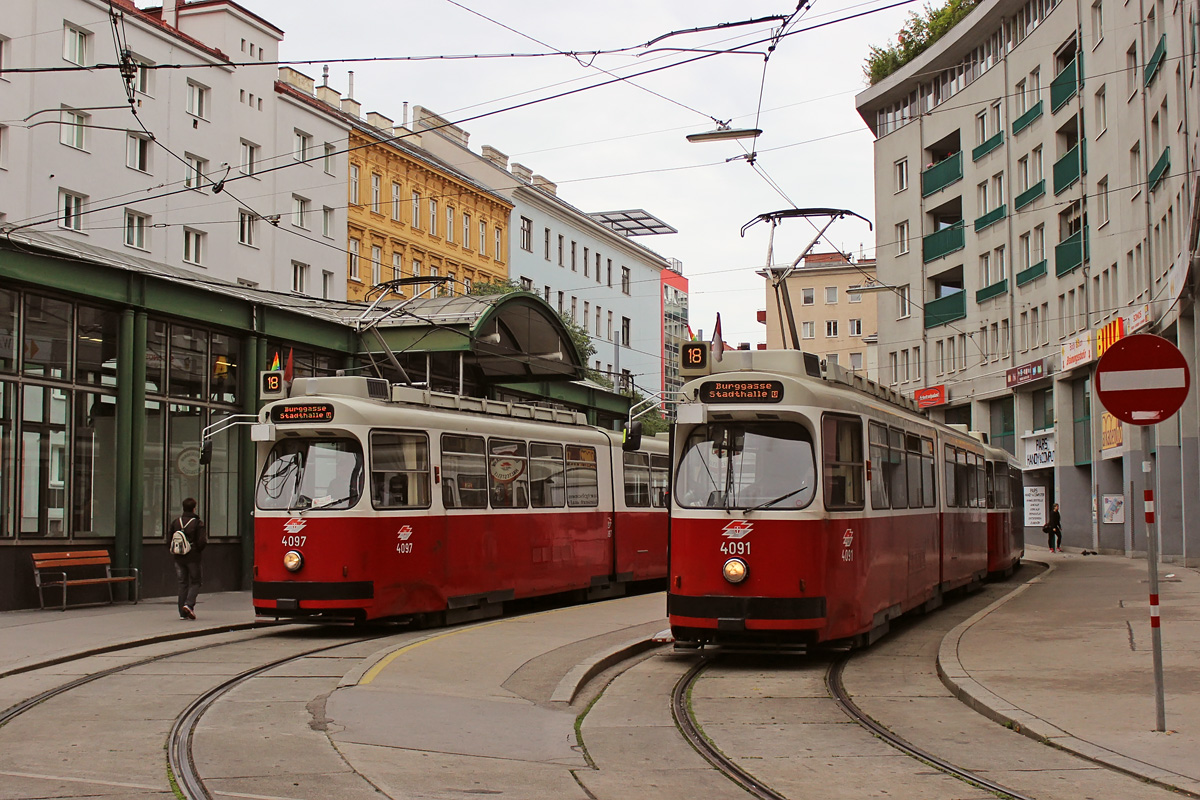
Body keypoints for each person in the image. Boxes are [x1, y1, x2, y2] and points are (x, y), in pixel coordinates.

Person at [171, 497, 207, 619]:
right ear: (194, 508)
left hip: (178, 557)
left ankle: (182, 613)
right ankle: (189, 605)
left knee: (182, 583)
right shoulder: (197, 523)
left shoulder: (176, 522)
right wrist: (197, 550)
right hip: (193, 557)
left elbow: (169, 539)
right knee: (196, 581)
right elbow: (202, 541)